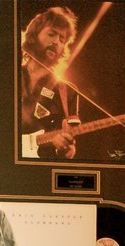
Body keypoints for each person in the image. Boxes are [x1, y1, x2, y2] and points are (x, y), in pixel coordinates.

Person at [21, 6, 80, 159]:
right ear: (34, 34)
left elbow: (70, 148)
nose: (56, 42)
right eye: (51, 34)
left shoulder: (68, 91)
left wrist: (65, 148)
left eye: (62, 39)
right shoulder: (10, 75)